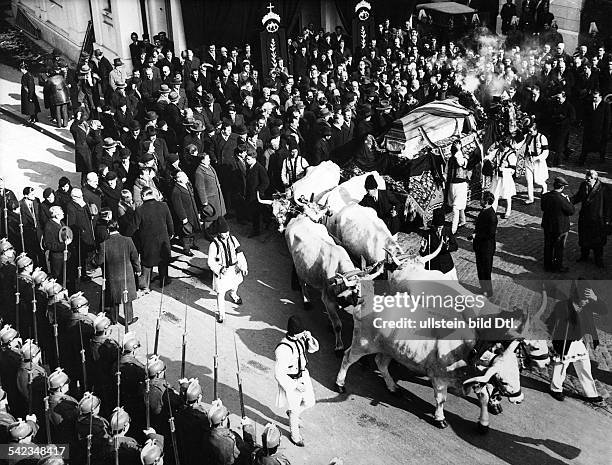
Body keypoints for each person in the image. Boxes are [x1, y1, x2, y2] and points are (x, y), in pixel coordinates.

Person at [546, 280, 604, 404]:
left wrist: (595, 298)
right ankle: (555, 389)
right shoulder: (562, 306)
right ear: (576, 298)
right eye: (585, 299)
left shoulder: (587, 305)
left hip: (579, 342)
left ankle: (591, 394)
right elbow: (550, 323)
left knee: (584, 367)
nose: (587, 302)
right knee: (561, 366)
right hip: (565, 343)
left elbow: (603, 310)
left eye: (588, 300)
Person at [274, 315, 319, 447]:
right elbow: (279, 374)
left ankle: (294, 413)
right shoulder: (283, 348)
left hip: (303, 375)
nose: (304, 333)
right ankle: (295, 436)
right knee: (294, 408)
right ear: (295, 332)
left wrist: (309, 338)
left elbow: (313, 349)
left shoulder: (300, 339)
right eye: (301, 332)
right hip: (292, 380)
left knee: (310, 402)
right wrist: (294, 385)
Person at [94, 220, 141, 324]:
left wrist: (93, 260)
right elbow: (134, 257)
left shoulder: (104, 244)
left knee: (114, 299)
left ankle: (114, 319)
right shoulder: (128, 240)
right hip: (127, 275)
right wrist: (138, 269)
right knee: (127, 299)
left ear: (107, 230)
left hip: (112, 276)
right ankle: (128, 319)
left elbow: (99, 260)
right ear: (118, 227)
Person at [127, 187, 174, 291]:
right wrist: (171, 233)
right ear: (152, 194)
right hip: (163, 239)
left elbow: (133, 227)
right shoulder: (164, 205)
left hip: (147, 241)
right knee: (163, 261)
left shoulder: (140, 209)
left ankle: (145, 285)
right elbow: (170, 222)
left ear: (143, 196)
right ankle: (163, 280)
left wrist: (126, 235)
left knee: (147, 263)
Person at [207, 217, 247, 323]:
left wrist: (243, 266)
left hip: (234, 269)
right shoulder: (214, 245)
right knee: (220, 293)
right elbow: (211, 262)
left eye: (227, 231)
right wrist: (219, 269)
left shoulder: (233, 240)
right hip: (222, 273)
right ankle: (221, 314)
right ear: (219, 233)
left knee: (235, 284)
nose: (226, 234)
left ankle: (233, 294)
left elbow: (239, 253)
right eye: (223, 233)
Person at [572, 170, 611, 268]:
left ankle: (598, 259)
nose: (587, 181)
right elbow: (578, 196)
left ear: (595, 179)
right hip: (585, 217)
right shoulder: (583, 185)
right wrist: (568, 201)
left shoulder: (604, 189)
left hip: (598, 219)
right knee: (584, 238)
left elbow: (609, 206)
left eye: (589, 180)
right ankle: (584, 256)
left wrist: (607, 220)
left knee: (598, 241)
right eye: (586, 179)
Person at [541, 176, 575, 272]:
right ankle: (557, 266)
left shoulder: (545, 196)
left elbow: (543, 208)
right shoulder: (562, 199)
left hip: (548, 226)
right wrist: (568, 201)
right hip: (560, 228)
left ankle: (547, 265)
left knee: (548, 246)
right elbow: (571, 211)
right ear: (562, 187)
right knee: (559, 248)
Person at [419, 208, 459, 280]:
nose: (438, 229)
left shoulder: (447, 230)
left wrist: (447, 247)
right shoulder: (428, 234)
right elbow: (423, 254)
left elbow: (455, 246)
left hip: (447, 266)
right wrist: (423, 249)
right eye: (436, 227)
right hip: (434, 267)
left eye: (440, 227)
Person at [472, 191, 498, 298]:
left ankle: (487, 291)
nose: (480, 200)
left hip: (486, 247)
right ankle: (484, 289)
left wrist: (476, 236)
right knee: (481, 269)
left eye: (482, 199)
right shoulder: (485, 211)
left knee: (485, 270)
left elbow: (489, 234)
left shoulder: (491, 216)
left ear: (487, 201)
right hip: (481, 246)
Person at [194, 151, 226, 234]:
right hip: (210, 198)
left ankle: (215, 231)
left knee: (217, 216)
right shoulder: (199, 172)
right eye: (207, 159)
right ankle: (208, 234)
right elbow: (200, 188)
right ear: (202, 160)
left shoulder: (209, 167)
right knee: (209, 218)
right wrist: (204, 202)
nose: (209, 160)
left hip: (216, 196)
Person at [170, 171, 201, 256]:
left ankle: (192, 244)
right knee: (186, 232)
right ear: (179, 179)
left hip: (192, 212)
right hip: (186, 215)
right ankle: (186, 248)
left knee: (192, 230)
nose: (187, 178)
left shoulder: (186, 185)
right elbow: (178, 207)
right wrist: (183, 218)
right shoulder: (176, 191)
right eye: (184, 177)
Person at [485, 137, 517, 219]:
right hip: (496, 177)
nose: (499, 147)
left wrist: (503, 169)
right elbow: (489, 156)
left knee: (507, 194)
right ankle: (492, 211)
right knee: (494, 193)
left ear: (505, 146)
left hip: (506, 178)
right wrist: (488, 161)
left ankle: (508, 211)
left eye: (501, 146)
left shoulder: (511, 155)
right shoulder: (498, 151)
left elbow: (513, 170)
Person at [520, 122, 549, 204]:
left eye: (531, 131)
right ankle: (530, 198)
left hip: (537, 162)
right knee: (529, 180)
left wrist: (537, 158)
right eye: (529, 131)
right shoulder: (527, 136)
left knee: (537, 180)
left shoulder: (542, 138)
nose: (530, 133)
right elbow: (520, 144)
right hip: (528, 160)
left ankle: (544, 186)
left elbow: (546, 151)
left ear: (536, 130)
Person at [579, 90, 610, 165]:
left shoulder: (605, 106)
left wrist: (606, 131)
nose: (594, 99)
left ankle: (601, 159)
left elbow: (608, 119)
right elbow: (585, 116)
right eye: (593, 97)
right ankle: (582, 160)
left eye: (596, 97)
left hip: (600, 130)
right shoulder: (588, 104)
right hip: (589, 129)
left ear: (601, 97)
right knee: (586, 145)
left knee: (601, 146)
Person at [244, 151, 269, 237]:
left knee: (256, 213)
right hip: (251, 195)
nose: (246, 160)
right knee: (257, 212)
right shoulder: (249, 167)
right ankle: (264, 225)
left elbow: (266, 182)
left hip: (257, 196)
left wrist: (259, 190)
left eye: (248, 159)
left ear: (254, 159)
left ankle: (256, 231)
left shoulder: (259, 168)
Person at [446, 140, 468, 233]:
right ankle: (463, 221)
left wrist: (459, 150)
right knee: (459, 205)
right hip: (452, 185)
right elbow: (447, 171)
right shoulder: (450, 159)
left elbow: (460, 162)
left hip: (461, 185)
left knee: (455, 207)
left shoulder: (464, 158)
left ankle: (453, 229)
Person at [43, 205, 68, 281]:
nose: (63, 213)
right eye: (61, 212)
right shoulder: (49, 227)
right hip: (57, 258)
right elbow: (49, 245)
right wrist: (64, 245)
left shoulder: (61, 223)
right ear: (56, 215)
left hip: (65, 255)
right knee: (59, 279)